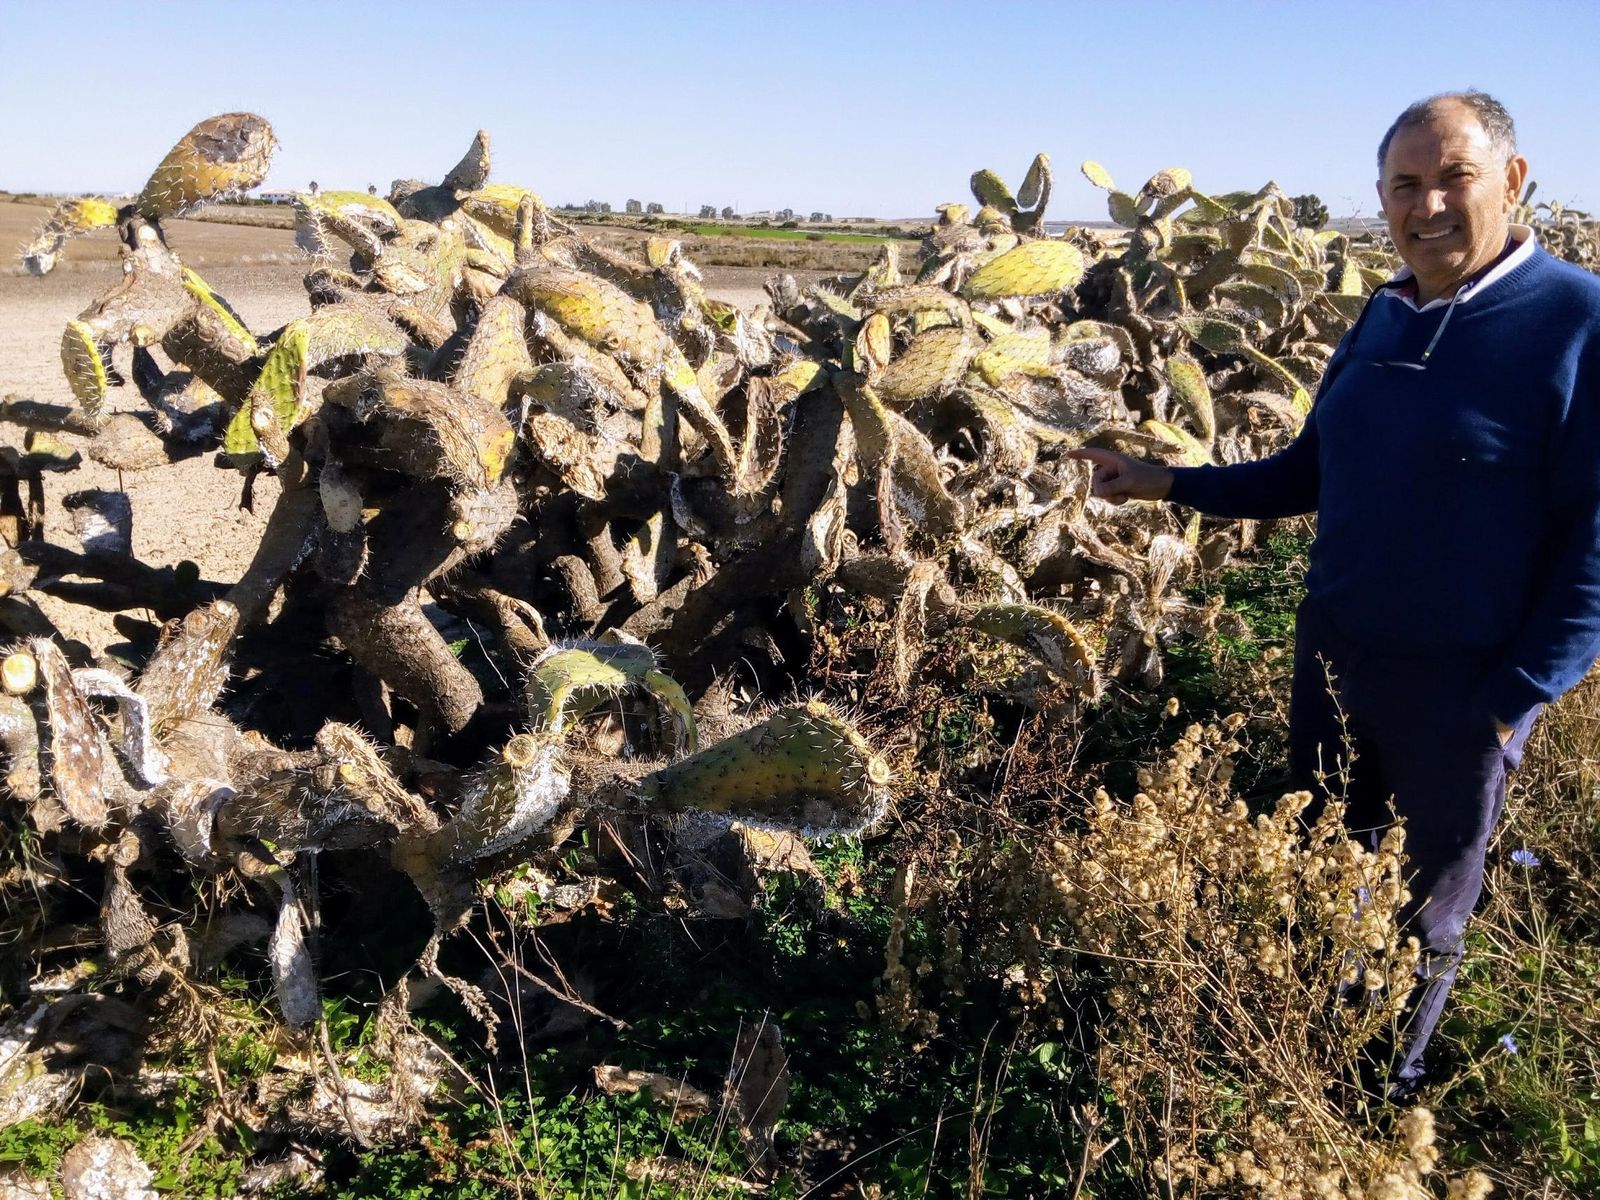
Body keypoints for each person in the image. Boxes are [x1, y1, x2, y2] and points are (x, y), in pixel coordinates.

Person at [1069, 90, 1600, 1097]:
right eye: (1405, 184)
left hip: (1463, 686)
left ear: (1514, 180)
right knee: (1321, 865)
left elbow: (1595, 544)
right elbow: (1308, 473)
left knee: (1423, 907)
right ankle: (1307, 1050)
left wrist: (1509, 700)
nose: (1427, 204)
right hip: (1334, 656)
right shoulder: (1381, 310)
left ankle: (1376, 1100)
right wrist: (1164, 482)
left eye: (1454, 177)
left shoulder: (1577, 319)